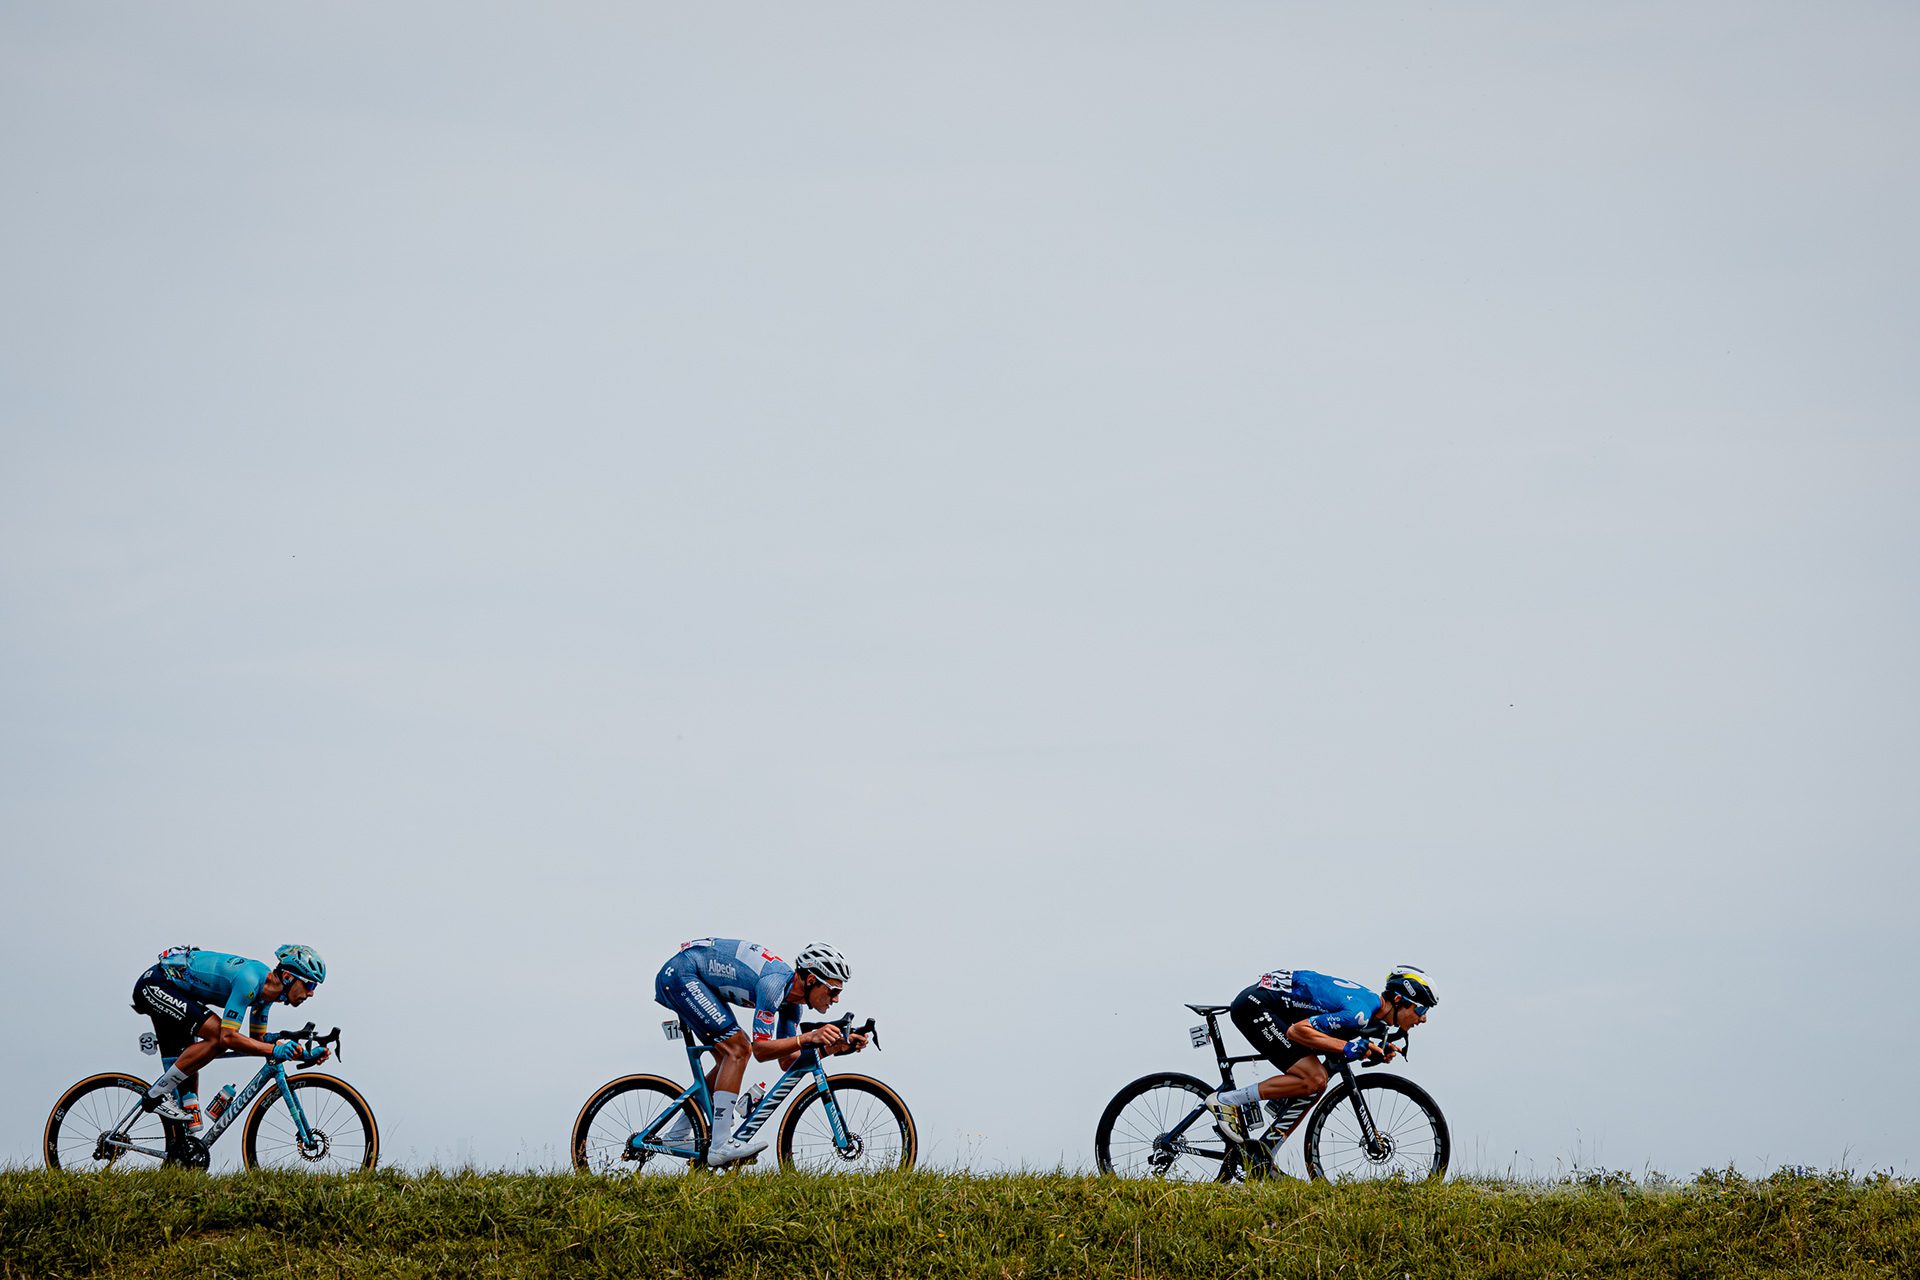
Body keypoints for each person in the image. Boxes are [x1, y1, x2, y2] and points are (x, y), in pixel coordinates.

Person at [653, 938, 867, 1166]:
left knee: (729, 1058)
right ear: (811, 980)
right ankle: (720, 1144)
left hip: (693, 977)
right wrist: (808, 1037)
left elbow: (787, 1061)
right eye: (833, 990)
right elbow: (760, 1051)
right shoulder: (773, 985)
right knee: (738, 1049)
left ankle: (678, 1135)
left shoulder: (793, 1006)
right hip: (681, 974)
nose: (836, 999)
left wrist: (833, 1047)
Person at [1205, 964, 1438, 1144]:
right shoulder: (1358, 1014)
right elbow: (1298, 1031)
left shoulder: (1370, 1006)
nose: (1424, 1018)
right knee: (1314, 1078)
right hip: (1256, 1006)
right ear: (1398, 1000)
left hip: (1273, 1003)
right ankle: (1227, 1100)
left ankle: (1267, 1152)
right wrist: (1348, 1047)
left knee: (1317, 1084)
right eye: (1421, 1009)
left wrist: (1370, 1049)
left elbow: (1342, 1034)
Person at [129, 944, 331, 1129]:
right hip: (156, 984)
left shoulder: (266, 996)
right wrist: (277, 1049)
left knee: (189, 1112)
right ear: (287, 977)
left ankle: (180, 1147)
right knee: (219, 1038)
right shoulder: (250, 980)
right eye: (310, 985)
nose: (311, 993)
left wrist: (303, 1055)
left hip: (179, 992)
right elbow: (228, 1038)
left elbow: (257, 1041)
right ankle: (156, 1095)